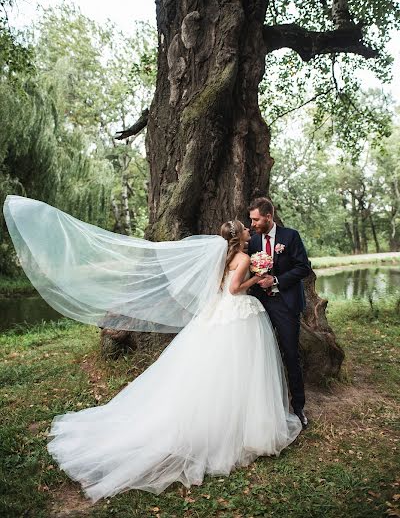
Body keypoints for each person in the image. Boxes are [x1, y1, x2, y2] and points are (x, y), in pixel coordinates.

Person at [3, 197, 301, 500]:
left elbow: (218, 287)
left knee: (215, 369)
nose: (251, 230)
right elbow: (235, 289)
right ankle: (237, 425)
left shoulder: (222, 257)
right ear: (240, 237)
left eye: (253, 224)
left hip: (218, 313)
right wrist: (255, 278)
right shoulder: (241, 259)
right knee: (237, 367)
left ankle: (225, 419)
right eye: (247, 229)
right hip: (237, 311)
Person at [248, 198, 311, 428]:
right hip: (260, 306)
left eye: (255, 219)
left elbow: (303, 267)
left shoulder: (290, 236)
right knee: (260, 357)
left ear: (268, 216)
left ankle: (299, 408)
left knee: (291, 355)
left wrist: (275, 280)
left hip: (285, 305)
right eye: (251, 219)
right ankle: (266, 409)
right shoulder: (253, 241)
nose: (252, 223)